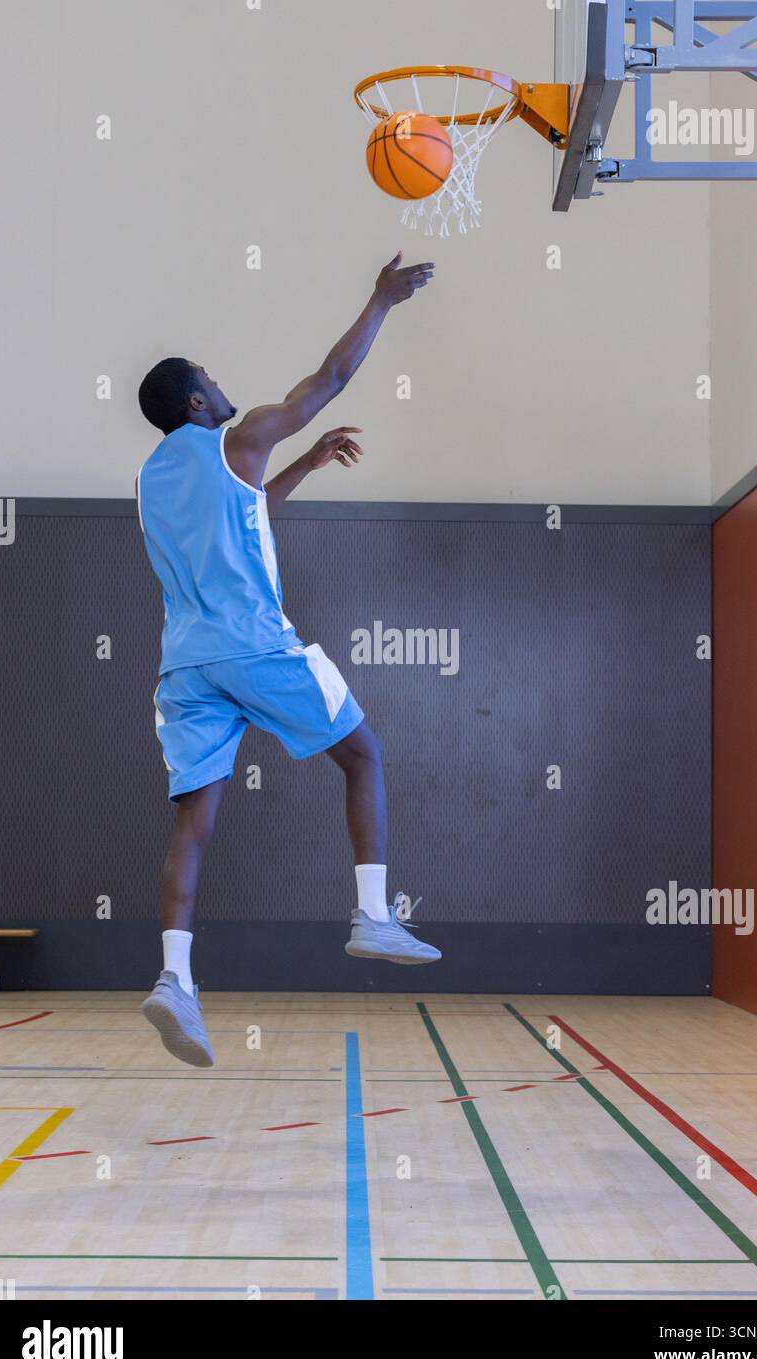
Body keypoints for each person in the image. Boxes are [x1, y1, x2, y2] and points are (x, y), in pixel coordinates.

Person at [135, 254, 441, 1068]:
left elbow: (248, 514)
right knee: (363, 754)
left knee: (194, 821)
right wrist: (380, 299)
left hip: (183, 668)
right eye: (211, 377)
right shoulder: (239, 436)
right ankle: (371, 915)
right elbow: (329, 378)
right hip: (254, 646)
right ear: (197, 401)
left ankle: (174, 978)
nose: (224, 385)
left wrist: (303, 465)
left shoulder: (155, 478)